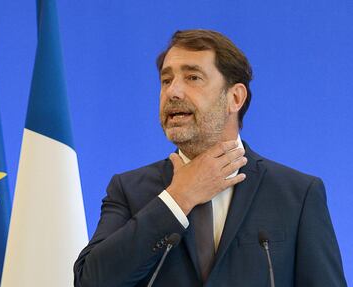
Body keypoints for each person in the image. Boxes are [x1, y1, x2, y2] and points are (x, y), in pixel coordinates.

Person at [74, 29, 346, 287]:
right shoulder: (128, 189)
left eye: (192, 77)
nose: (173, 92)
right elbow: (90, 281)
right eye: (166, 80)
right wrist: (178, 199)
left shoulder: (297, 195)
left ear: (235, 98)